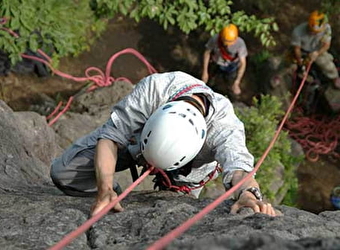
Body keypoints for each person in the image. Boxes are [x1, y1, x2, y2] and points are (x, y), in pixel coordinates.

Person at [50, 71, 276, 217]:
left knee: (177, 215)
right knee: (64, 173)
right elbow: (111, 137)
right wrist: (105, 187)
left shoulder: (225, 128)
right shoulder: (154, 90)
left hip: (189, 172)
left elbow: (239, 169)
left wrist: (248, 195)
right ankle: (115, 191)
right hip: (137, 143)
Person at [291, 10, 340, 89]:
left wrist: (317, 53)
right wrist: (301, 65)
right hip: (302, 51)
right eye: (313, 31)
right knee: (289, 65)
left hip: (317, 50)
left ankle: (334, 78)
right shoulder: (298, 32)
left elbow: (326, 45)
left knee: (328, 65)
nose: (315, 33)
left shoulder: (327, 28)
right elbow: (297, 49)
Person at [201, 24, 248, 96]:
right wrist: (205, 72)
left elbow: (243, 63)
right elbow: (207, 53)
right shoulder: (215, 39)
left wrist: (237, 82)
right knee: (210, 81)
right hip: (216, 62)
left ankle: (229, 95)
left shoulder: (240, 43)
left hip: (231, 66)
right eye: (225, 41)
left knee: (230, 83)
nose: (228, 45)